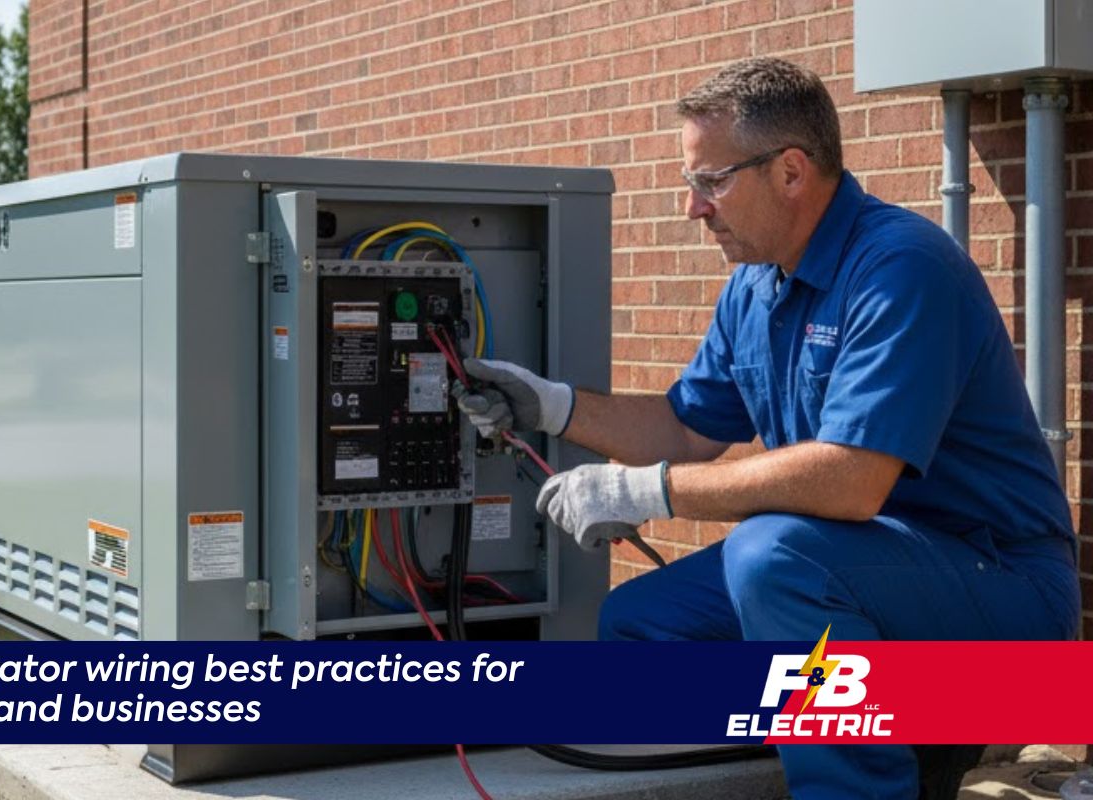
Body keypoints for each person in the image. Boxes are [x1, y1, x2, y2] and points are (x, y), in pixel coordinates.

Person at [454, 57, 1079, 799]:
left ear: (790, 171)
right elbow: (687, 428)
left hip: (1000, 593)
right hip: (858, 575)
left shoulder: (901, 267)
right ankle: (905, 741)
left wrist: (645, 490)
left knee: (774, 556)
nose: (696, 209)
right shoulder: (757, 284)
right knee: (640, 625)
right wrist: (551, 405)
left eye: (711, 182)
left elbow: (851, 482)